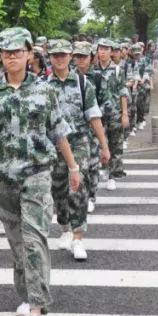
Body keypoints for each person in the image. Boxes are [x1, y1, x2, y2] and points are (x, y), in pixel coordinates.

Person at [0, 27, 79, 316]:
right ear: (0, 56)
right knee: (17, 244)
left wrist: (73, 167)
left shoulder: (45, 91)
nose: (11, 56)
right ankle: (27, 294)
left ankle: (37, 308)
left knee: (34, 239)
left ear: (29, 53)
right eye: (6, 52)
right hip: (2, 179)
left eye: (17, 51)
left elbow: (59, 131)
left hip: (37, 176)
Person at [45, 40, 110, 261]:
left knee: (77, 186)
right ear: (50, 57)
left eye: (63, 54)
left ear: (71, 56)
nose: (60, 58)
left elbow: (94, 116)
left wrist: (104, 145)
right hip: (54, 146)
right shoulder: (43, 85)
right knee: (58, 190)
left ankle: (78, 237)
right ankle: (64, 228)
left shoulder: (83, 84)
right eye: (55, 55)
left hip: (79, 141)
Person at [72, 41, 101, 213]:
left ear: (90, 58)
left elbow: (106, 101)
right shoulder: (69, 77)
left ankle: (91, 196)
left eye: (84, 56)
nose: (80, 60)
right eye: (77, 56)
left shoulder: (97, 77)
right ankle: (75, 195)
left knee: (92, 164)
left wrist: (93, 117)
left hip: (93, 128)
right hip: (75, 132)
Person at [93, 39, 126, 184]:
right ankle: (104, 168)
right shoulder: (93, 70)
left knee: (116, 143)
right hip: (98, 114)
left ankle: (114, 174)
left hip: (115, 113)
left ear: (111, 52)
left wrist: (125, 113)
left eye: (106, 49)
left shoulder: (118, 70)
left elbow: (123, 92)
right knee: (100, 142)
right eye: (100, 49)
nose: (102, 52)